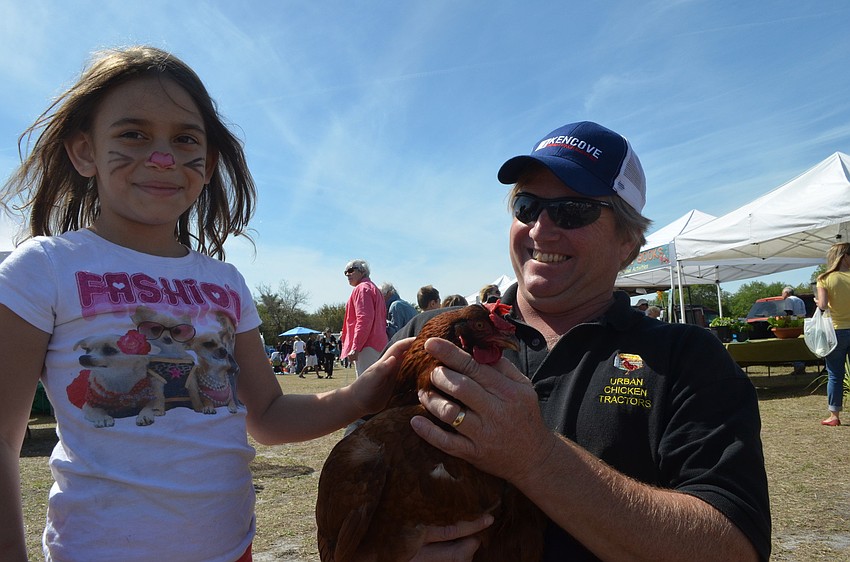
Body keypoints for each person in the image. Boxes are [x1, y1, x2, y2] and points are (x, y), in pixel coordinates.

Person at [0, 46, 485, 562]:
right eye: (133, 134)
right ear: (84, 152)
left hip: (231, 551)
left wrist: (362, 397)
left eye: (184, 139)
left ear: (207, 164)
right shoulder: (43, 269)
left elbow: (268, 414)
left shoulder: (225, 282)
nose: (162, 157)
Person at [397, 121, 771, 560]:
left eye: (573, 211)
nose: (540, 229)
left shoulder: (686, 358)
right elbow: (358, 479)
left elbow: (732, 548)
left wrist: (535, 459)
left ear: (628, 242)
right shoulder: (432, 333)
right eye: (527, 205)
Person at [815, 242, 850, 427]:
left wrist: (816, 301)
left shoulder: (825, 278)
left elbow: (822, 305)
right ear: (845, 256)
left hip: (836, 331)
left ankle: (834, 415)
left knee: (835, 374)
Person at [340, 259, 388, 377]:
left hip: (366, 346)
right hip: (378, 344)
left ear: (362, 271)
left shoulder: (362, 289)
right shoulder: (373, 289)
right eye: (345, 272)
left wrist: (355, 347)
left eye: (351, 270)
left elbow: (364, 319)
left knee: (366, 388)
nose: (347, 274)